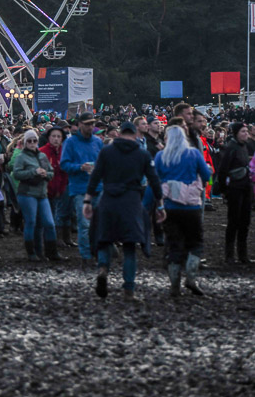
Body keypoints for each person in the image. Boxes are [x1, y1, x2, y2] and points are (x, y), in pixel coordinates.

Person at [84, 120, 163, 300]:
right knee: (129, 246)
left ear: (119, 134)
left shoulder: (106, 151)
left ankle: (103, 268)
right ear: (135, 134)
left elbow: (95, 177)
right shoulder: (142, 154)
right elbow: (154, 180)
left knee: (104, 240)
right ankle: (128, 289)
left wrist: (87, 201)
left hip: (108, 200)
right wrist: (160, 205)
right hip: (131, 201)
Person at [155, 125, 212, 295]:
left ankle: (174, 285)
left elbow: (154, 179)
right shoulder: (194, 153)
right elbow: (207, 176)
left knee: (173, 244)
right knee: (195, 242)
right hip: (191, 205)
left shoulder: (161, 156)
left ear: (167, 138)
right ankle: (191, 278)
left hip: (170, 206)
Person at [60, 111, 103, 268]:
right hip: (79, 189)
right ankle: (86, 255)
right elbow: (64, 164)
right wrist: (80, 167)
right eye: (87, 124)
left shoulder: (98, 142)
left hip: (98, 187)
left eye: (92, 124)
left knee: (98, 223)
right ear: (79, 125)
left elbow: (103, 163)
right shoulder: (70, 143)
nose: (90, 127)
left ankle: (97, 252)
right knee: (84, 224)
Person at [11, 130, 60, 262]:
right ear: (25, 142)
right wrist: (34, 172)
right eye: (30, 141)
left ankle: (51, 252)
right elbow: (16, 174)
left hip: (42, 193)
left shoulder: (42, 156)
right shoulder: (21, 157)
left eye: (34, 141)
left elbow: (51, 172)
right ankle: (32, 252)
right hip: (27, 193)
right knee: (31, 222)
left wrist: (46, 175)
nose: (32, 143)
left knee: (48, 223)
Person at [219, 122, 252, 264]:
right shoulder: (231, 148)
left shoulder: (244, 147)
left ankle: (243, 254)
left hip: (246, 188)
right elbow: (222, 171)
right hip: (235, 189)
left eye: (247, 131)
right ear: (236, 133)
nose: (246, 134)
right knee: (233, 222)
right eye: (243, 131)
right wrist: (224, 191)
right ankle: (229, 254)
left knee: (245, 222)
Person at [39, 124, 70, 246]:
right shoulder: (42, 153)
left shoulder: (64, 152)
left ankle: (55, 241)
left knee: (60, 214)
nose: (56, 139)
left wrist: (61, 188)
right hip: (45, 191)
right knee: (47, 218)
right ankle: (45, 242)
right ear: (49, 138)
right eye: (53, 136)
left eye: (58, 136)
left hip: (60, 189)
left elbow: (64, 173)